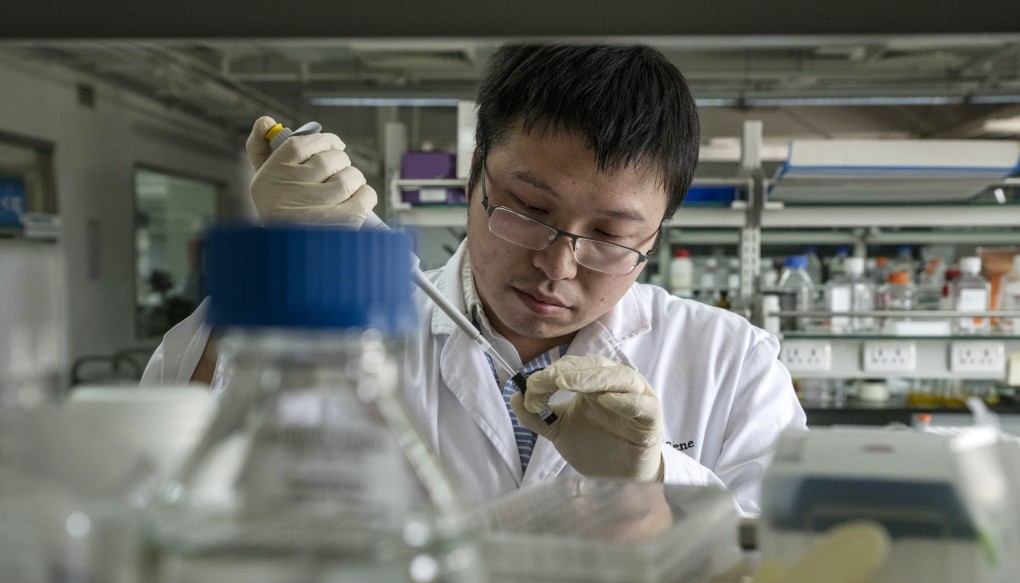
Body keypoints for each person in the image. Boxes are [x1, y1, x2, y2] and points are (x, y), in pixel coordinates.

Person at [142, 44, 806, 514]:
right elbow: (169, 462)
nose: (557, 265)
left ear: (655, 236)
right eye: (529, 209)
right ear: (475, 179)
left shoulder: (729, 360)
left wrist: (654, 475)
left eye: (608, 236)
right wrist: (285, 262)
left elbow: (783, 573)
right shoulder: (350, 321)